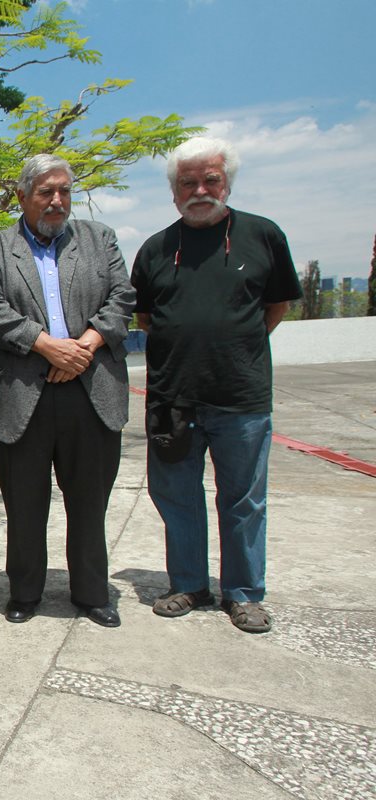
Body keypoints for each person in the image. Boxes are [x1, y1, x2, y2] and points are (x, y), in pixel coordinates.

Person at [132, 136, 301, 634]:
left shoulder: (263, 235)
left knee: (244, 500)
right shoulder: (156, 249)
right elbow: (145, 315)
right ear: (174, 190)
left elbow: (277, 306)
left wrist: (233, 347)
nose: (200, 190)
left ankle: (244, 594)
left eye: (211, 180)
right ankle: (188, 584)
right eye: (189, 182)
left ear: (227, 183)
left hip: (241, 399)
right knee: (176, 496)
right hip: (171, 398)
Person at [0, 154, 134, 628]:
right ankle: (25, 591)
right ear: (22, 197)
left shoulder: (100, 241)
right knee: (25, 503)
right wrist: (47, 347)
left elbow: (122, 298)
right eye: (45, 192)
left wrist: (83, 347)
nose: (57, 200)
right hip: (22, 393)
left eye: (64, 190)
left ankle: (91, 592)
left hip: (91, 389)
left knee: (89, 501)